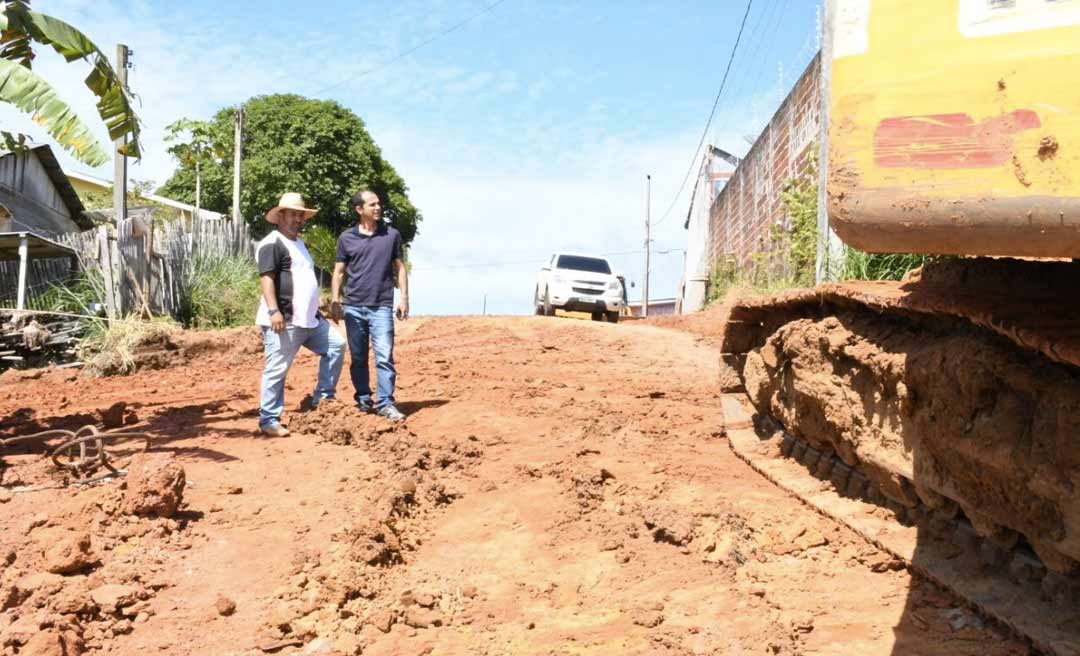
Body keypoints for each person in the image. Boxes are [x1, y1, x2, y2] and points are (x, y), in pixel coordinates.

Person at [255, 192, 345, 436]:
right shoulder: (272, 243)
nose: (298, 219)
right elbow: (267, 278)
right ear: (281, 216)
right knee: (277, 369)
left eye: (301, 215)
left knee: (336, 345)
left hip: (310, 320)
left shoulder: (300, 244)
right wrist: (274, 311)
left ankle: (323, 399)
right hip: (284, 320)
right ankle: (269, 420)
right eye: (293, 214)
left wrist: (320, 308)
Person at [330, 190, 409, 421]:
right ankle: (363, 398)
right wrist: (335, 300)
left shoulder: (391, 235)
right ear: (359, 209)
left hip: (381, 305)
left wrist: (404, 298)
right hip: (353, 305)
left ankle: (385, 403)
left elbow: (400, 267)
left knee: (384, 356)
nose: (378, 208)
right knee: (358, 357)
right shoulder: (346, 238)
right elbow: (338, 271)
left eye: (379, 204)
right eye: (372, 204)